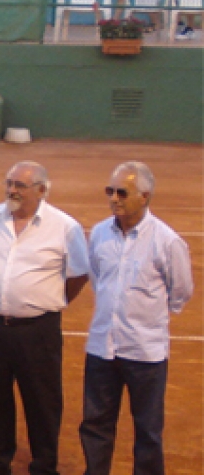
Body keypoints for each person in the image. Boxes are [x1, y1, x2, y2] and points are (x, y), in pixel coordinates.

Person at [0, 162, 90, 475]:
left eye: (20, 185)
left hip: (38, 330)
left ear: (42, 190)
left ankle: (44, 467)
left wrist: (48, 301)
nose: (12, 191)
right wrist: (5, 292)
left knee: (42, 401)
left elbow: (79, 274)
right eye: (9, 183)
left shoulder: (64, 227)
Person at [79, 161, 193, 475]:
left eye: (121, 192)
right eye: (110, 191)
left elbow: (180, 291)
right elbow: (97, 276)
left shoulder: (167, 241)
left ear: (144, 196)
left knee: (147, 431)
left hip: (145, 352)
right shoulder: (100, 233)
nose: (113, 198)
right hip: (103, 346)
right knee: (95, 425)